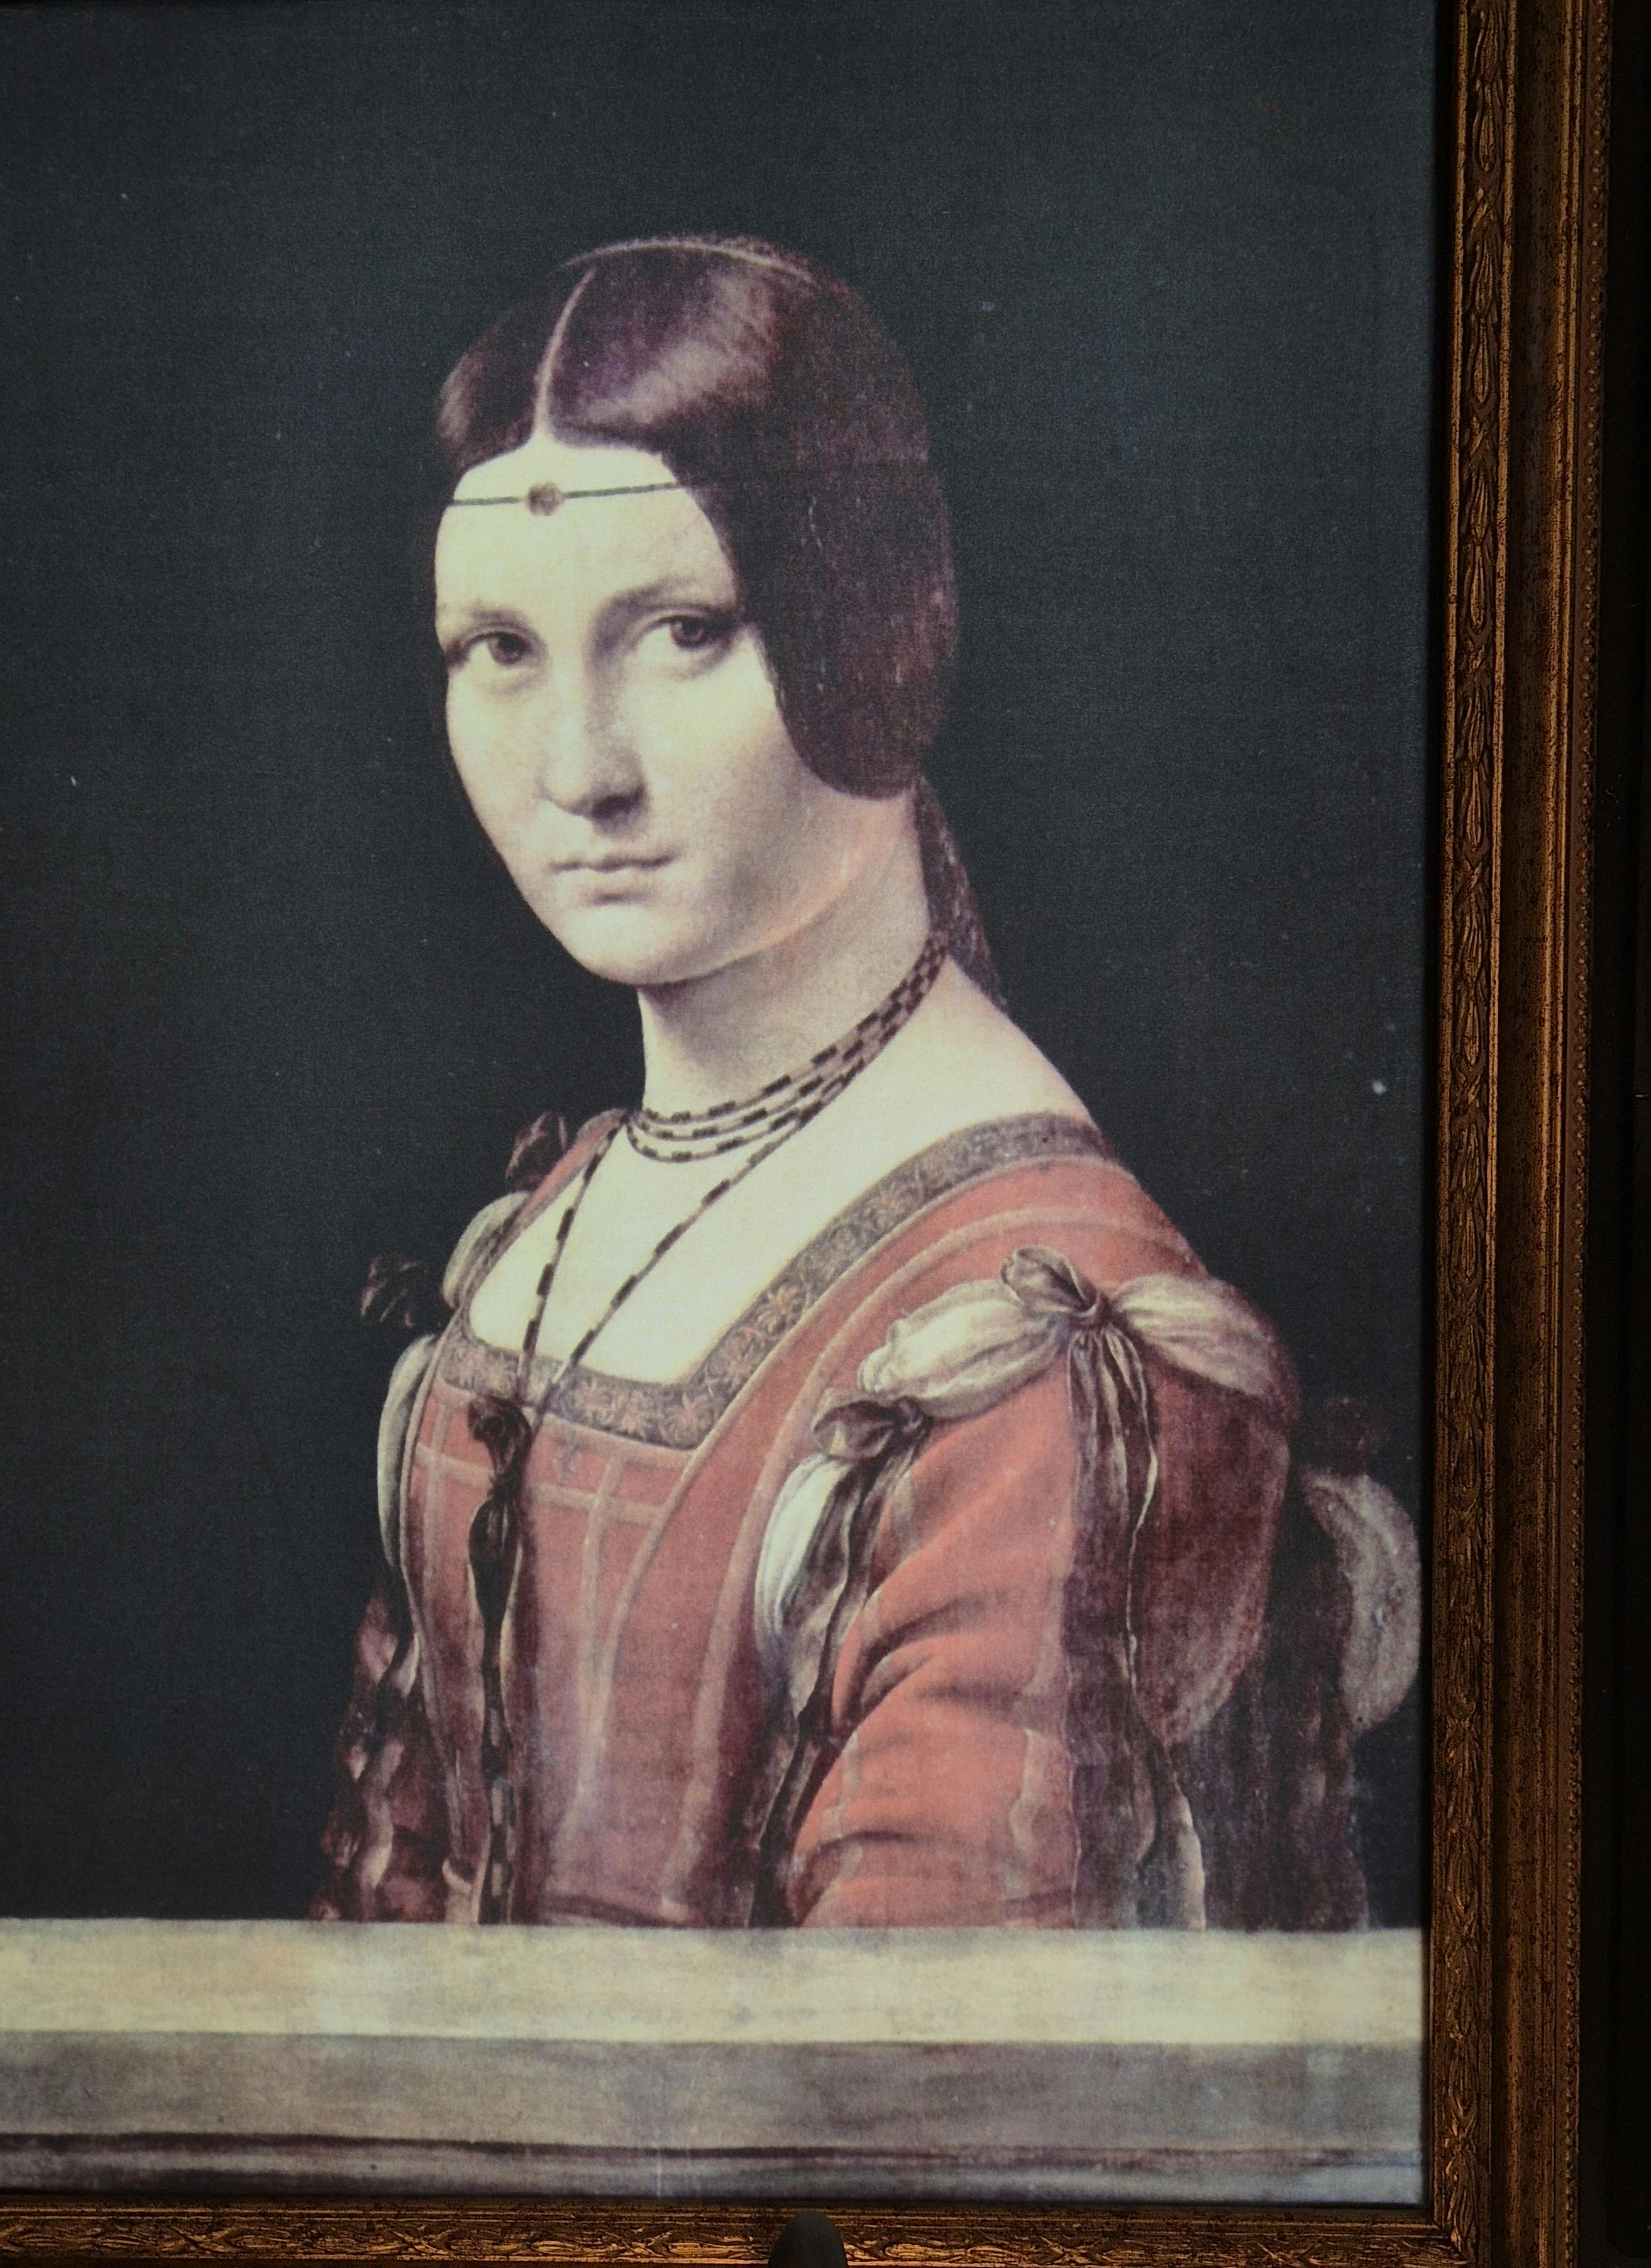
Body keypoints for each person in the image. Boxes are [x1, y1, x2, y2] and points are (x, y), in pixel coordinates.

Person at [312, 236, 1418, 1932]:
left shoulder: (1036, 1353)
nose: (580, 770)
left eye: (682, 632)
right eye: (500, 649)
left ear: (872, 633)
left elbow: (920, 2066)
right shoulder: (550, 1224)